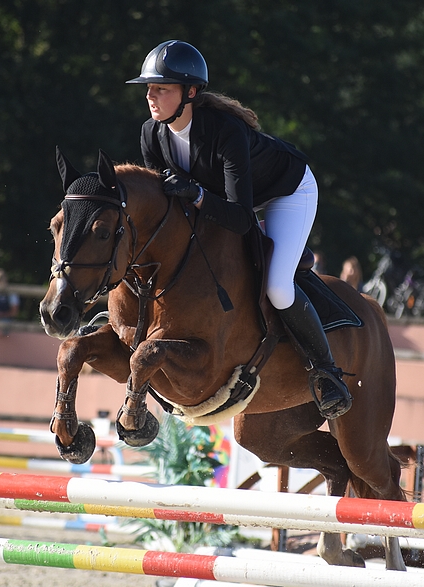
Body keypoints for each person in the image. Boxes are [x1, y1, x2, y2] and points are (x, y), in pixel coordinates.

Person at [126, 40, 352, 419]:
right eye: (149, 88)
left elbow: (241, 218)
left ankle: (326, 372)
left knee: (278, 286)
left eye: (161, 88)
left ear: (191, 92)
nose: (151, 96)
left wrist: (196, 194)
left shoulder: (225, 132)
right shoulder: (151, 133)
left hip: (286, 192)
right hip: (227, 200)